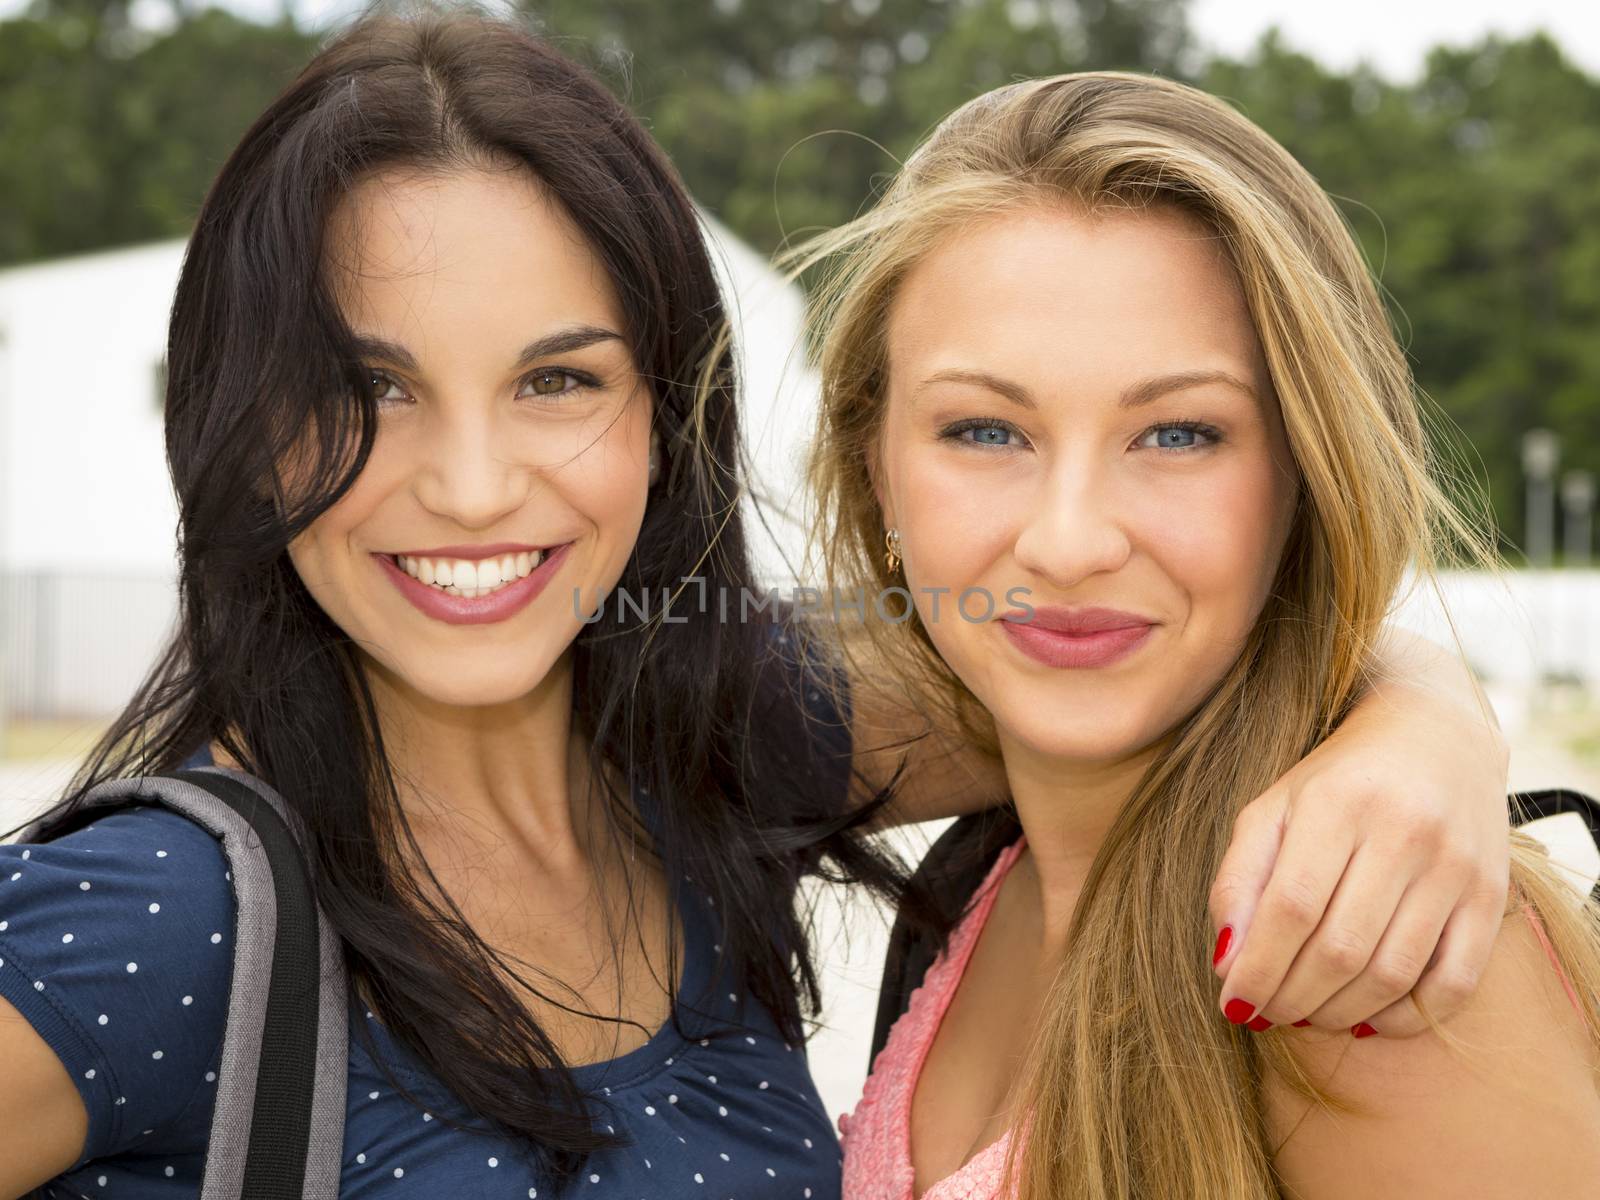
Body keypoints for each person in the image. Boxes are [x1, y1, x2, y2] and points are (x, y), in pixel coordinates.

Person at [0, 13, 1522, 1198]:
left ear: (669, 415)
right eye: (365, 390)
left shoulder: (717, 744)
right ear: (232, 425)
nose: (470, 489)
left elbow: (1108, 647)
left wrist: (1424, 731)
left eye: (559, 380)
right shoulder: (158, 922)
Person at [788, 71, 1600, 1199]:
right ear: (875, 467)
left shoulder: (1373, 958)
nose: (1070, 542)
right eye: (984, 429)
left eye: (1176, 433)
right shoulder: (990, 868)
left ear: (1303, 475)